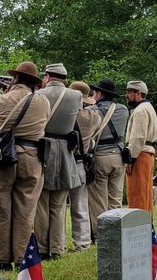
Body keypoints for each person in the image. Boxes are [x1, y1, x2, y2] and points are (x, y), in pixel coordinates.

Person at [0, 61, 49, 271]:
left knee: (0, 209)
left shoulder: (1, 99)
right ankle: (21, 257)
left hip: (3, 157)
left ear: (15, 78)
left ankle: (1, 259)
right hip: (32, 156)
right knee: (26, 210)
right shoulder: (43, 101)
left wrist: (6, 93)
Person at [34, 63, 82, 260]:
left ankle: (43, 248)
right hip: (64, 151)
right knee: (59, 204)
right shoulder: (76, 96)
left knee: (42, 203)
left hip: (43, 149)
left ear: (47, 76)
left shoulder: (39, 94)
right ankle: (58, 247)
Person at [85, 77, 128, 234]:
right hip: (118, 155)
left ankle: (101, 233)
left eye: (95, 92)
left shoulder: (92, 111)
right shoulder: (123, 110)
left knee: (98, 199)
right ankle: (116, 230)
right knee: (115, 198)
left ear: (100, 94)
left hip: (101, 155)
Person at [67, 80, 100, 252]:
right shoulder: (94, 116)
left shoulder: (70, 115)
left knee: (57, 205)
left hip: (67, 162)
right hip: (82, 164)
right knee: (80, 205)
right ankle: (83, 242)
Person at [124, 79, 157, 213]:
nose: (126, 95)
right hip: (146, 153)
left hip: (139, 154)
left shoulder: (140, 111)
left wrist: (130, 159)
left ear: (138, 93)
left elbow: (138, 137)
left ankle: (139, 229)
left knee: (137, 195)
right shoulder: (148, 108)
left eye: (128, 92)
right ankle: (147, 228)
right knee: (145, 194)